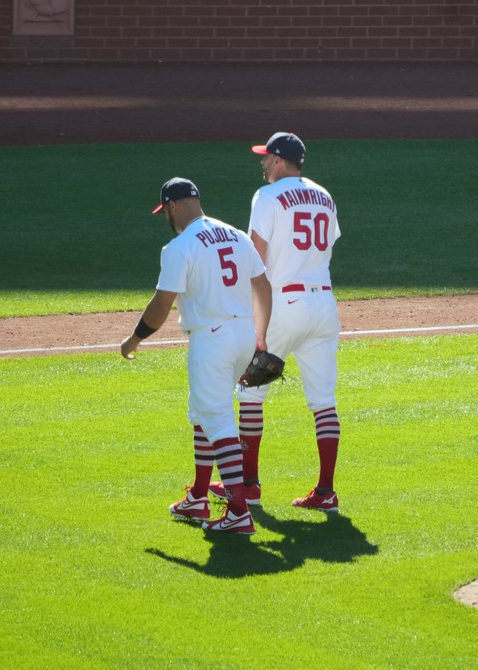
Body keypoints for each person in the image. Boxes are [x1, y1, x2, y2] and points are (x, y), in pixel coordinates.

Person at [121, 177, 272, 536]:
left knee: (218, 421)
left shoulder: (180, 246)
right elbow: (262, 286)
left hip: (211, 340)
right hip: (243, 336)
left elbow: (161, 306)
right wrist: (260, 336)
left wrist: (134, 339)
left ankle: (238, 511)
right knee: (202, 411)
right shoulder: (237, 235)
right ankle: (199, 497)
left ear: (172, 207)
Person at [208, 132, 343, 513]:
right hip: (324, 303)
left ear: (281, 160)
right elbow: (328, 246)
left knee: (250, 392)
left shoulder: (266, 196)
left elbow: (255, 256)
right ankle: (326, 491)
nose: (263, 163)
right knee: (323, 401)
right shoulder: (325, 195)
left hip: (284, 303)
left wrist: (247, 311)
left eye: (267, 157)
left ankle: (249, 485)